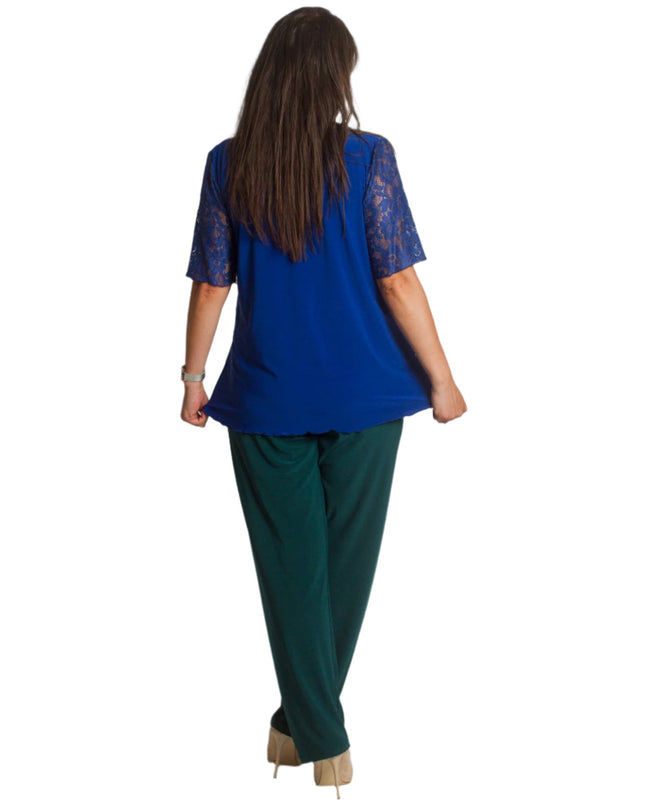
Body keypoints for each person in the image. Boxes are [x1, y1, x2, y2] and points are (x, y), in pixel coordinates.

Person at [180, 6, 467, 798]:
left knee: (292, 572)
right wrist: (442, 380)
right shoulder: (369, 157)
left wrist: (193, 377)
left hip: (264, 395)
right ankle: (326, 743)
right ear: (335, 76)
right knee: (341, 568)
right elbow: (396, 277)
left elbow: (211, 282)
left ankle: (296, 721)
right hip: (368, 393)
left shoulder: (228, 163)